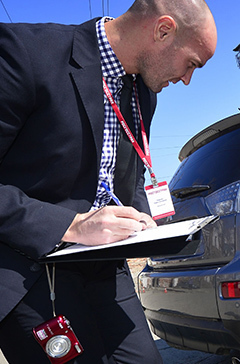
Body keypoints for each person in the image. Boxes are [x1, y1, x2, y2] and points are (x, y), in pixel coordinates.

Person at [0, 0, 216, 363]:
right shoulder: (25, 52)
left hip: (103, 267)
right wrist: (71, 225)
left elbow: (120, 180)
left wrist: (153, 227)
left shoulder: (143, 92)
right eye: (192, 63)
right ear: (163, 30)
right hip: (28, 269)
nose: (186, 79)